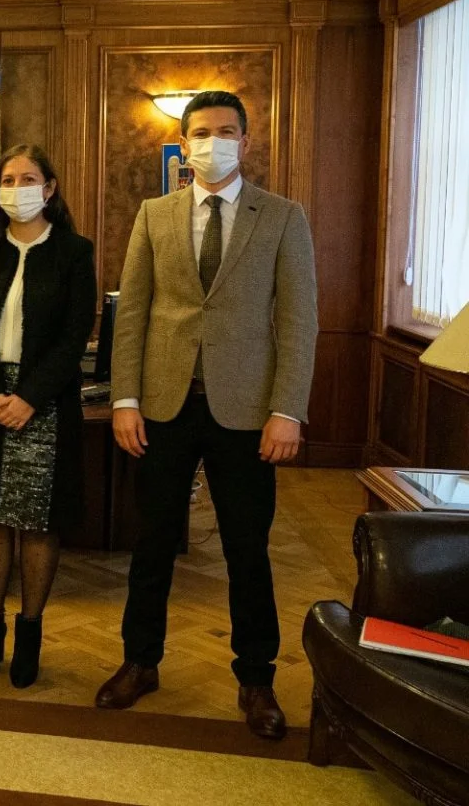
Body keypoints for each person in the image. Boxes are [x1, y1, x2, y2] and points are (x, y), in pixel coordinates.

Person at [101, 90, 317, 740]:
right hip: (163, 405)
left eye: (226, 132)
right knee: (152, 542)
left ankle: (257, 678)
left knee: (247, 549)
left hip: (247, 411)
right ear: (183, 142)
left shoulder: (282, 217)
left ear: (245, 143)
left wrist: (287, 410)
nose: (212, 142)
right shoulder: (154, 214)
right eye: (201, 132)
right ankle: (141, 661)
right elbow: (133, 314)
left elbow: (298, 320)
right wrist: (124, 399)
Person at [0, 145, 95, 688]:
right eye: (7, 180)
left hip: (44, 401)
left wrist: (29, 397)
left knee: (36, 521)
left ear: (49, 188)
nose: (16, 189)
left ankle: (30, 632)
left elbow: (74, 335)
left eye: (27, 179)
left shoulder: (74, 252)